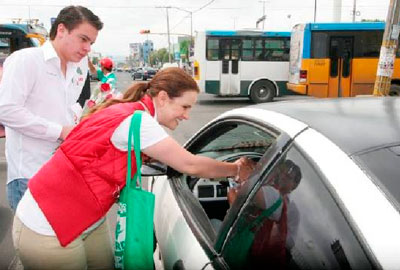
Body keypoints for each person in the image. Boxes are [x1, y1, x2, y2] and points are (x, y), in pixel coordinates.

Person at [12, 67, 255, 269]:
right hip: (47, 227)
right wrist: (236, 169)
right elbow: (189, 164)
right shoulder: (139, 122)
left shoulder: (129, 112)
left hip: (83, 218)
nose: (187, 116)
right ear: (162, 98)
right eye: (184, 107)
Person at [0, 6, 103, 211]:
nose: (87, 48)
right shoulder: (26, 60)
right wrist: (61, 131)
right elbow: (7, 110)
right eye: (83, 39)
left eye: (91, 43)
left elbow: (66, 107)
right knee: (39, 243)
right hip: (30, 176)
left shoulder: (80, 66)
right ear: (62, 30)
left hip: (65, 172)